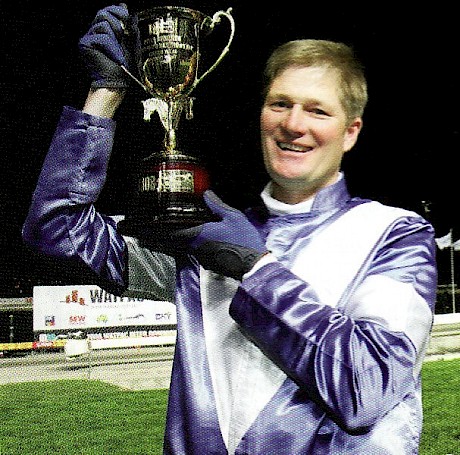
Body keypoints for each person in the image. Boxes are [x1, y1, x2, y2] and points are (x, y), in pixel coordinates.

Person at [23, 4, 437, 454]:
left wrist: (256, 269)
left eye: (318, 111)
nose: (293, 124)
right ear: (261, 115)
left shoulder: (395, 234)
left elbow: (366, 388)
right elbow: (57, 227)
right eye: (280, 104)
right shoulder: (204, 239)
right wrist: (103, 97)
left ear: (351, 132)